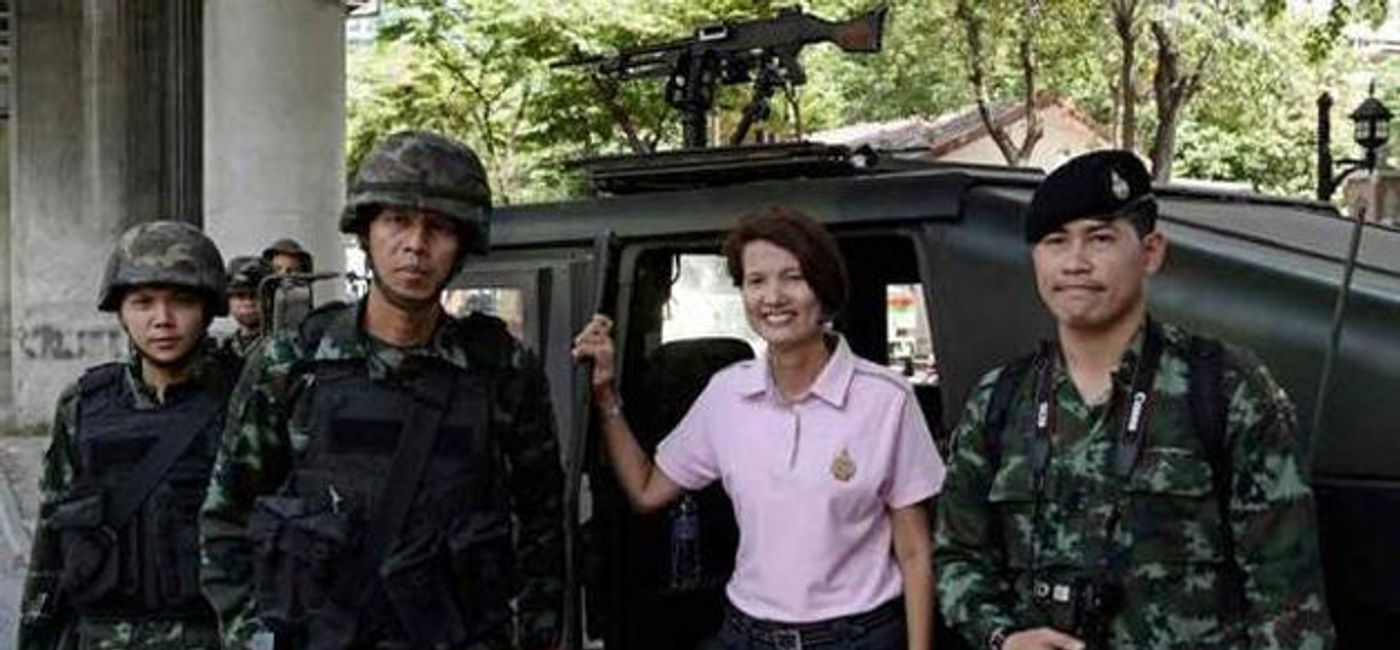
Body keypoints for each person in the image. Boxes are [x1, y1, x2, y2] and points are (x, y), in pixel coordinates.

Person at [934, 150, 1334, 650]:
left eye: (1100, 238)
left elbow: (1289, 598)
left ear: (1150, 253)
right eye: (1055, 241)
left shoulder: (1224, 388)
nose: (1075, 262)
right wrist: (1003, 637)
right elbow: (958, 557)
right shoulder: (1000, 399)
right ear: (1035, 257)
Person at [199, 130, 564, 650]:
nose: (415, 245)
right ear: (366, 233)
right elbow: (226, 518)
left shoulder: (503, 371)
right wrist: (252, 639)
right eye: (397, 221)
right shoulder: (290, 362)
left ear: (462, 246)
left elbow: (542, 529)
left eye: (439, 228)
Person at [572, 206, 946, 650]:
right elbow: (646, 490)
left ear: (824, 289)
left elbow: (915, 553)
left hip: (855, 637)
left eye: (793, 277)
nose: (773, 297)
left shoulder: (885, 400)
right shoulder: (727, 394)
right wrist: (604, 394)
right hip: (746, 634)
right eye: (756, 281)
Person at [18, 220, 238, 650]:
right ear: (120, 310)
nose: (163, 320)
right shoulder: (83, 404)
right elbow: (50, 544)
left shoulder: (245, 400)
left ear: (208, 309)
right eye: (143, 302)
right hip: (101, 636)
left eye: (182, 301)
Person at [222, 255, 273, 362]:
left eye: (255, 296)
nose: (248, 303)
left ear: (269, 300)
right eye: (240, 296)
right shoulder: (223, 348)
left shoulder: (280, 346)